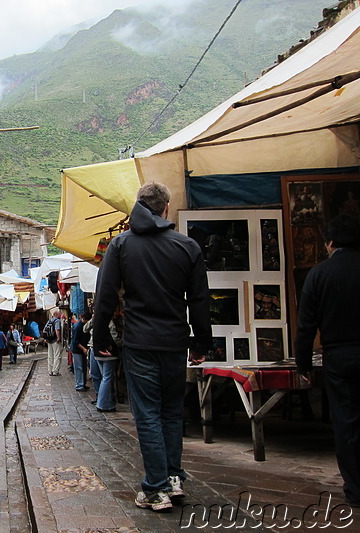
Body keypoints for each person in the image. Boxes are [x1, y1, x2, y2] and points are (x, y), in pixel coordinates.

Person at [93, 182, 212, 512]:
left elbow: (105, 297)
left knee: (146, 413)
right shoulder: (187, 247)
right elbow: (200, 300)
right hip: (175, 342)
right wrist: (202, 343)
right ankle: (173, 478)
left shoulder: (121, 245)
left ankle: (156, 488)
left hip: (140, 342)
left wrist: (100, 338)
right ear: (165, 209)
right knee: (172, 412)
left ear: (138, 207)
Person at [294, 214, 360, 508]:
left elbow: (306, 326)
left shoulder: (319, 274)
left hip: (340, 356)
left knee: (346, 422)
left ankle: (357, 490)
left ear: (330, 243)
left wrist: (303, 364)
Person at [71, 312, 91, 391]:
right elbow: (76, 341)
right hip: (77, 350)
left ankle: (82, 383)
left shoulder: (82, 325)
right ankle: (79, 385)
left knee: (83, 367)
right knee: (79, 367)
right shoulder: (78, 327)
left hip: (82, 349)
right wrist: (84, 349)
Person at [45, 309, 63, 376]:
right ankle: (55, 371)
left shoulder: (49, 321)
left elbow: (45, 330)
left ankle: (50, 371)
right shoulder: (57, 321)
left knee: (50, 355)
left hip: (49, 340)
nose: (61, 315)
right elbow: (57, 330)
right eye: (60, 314)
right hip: (55, 340)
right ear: (57, 315)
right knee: (57, 355)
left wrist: (46, 338)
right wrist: (58, 338)